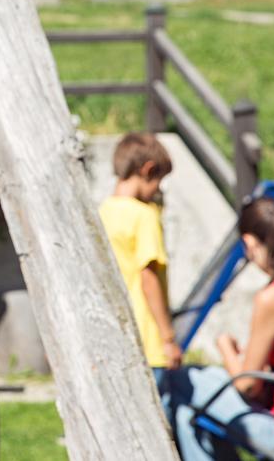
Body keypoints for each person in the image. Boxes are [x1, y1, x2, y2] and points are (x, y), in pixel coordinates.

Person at [162, 195, 274, 460]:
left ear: (249, 243)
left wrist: (225, 347)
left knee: (180, 384)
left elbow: (248, 386)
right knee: (193, 398)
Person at [99, 132, 178, 384]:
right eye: (159, 181)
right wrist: (168, 338)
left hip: (116, 339)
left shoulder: (101, 212)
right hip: (149, 343)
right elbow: (148, 278)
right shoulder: (143, 216)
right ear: (148, 169)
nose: (158, 190)